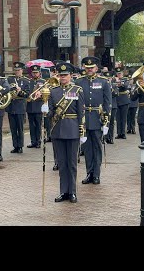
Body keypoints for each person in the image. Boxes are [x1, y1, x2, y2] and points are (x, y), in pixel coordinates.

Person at [42, 62, 85, 203]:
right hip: (58, 130)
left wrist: (82, 131)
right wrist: (45, 110)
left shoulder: (77, 90)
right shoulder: (53, 91)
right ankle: (63, 191)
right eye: (61, 75)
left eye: (65, 75)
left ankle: (72, 192)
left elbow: (81, 113)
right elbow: (52, 113)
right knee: (62, 163)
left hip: (72, 129)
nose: (63, 78)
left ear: (70, 75)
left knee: (72, 163)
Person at [75, 56, 111, 185]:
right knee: (87, 148)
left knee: (96, 147)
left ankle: (96, 174)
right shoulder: (79, 82)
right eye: (87, 67)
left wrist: (106, 122)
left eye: (92, 68)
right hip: (84, 119)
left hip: (97, 118)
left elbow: (107, 104)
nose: (89, 69)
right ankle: (89, 173)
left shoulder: (104, 82)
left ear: (96, 68)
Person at [6, 62, 30, 154]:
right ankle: (15, 145)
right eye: (15, 70)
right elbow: (6, 90)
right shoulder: (10, 79)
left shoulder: (26, 81)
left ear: (22, 70)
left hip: (20, 106)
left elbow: (27, 94)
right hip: (11, 105)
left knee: (20, 128)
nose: (17, 72)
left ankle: (20, 146)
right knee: (13, 128)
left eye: (18, 70)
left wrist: (20, 91)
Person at [26, 65, 45, 148]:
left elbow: (46, 94)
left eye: (36, 72)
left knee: (38, 125)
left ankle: (38, 141)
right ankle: (33, 141)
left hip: (38, 106)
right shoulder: (29, 81)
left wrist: (40, 95)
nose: (35, 74)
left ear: (39, 73)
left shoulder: (43, 82)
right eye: (33, 73)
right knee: (31, 125)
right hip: (30, 106)